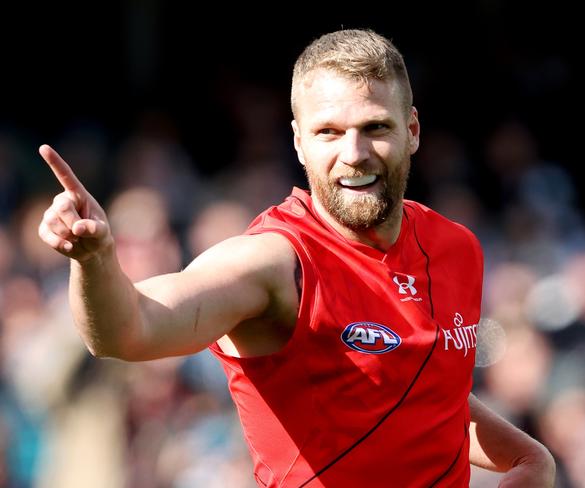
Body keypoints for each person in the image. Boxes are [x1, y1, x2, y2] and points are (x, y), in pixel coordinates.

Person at [38, 29, 555, 487]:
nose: (354, 153)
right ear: (299, 142)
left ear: (412, 131)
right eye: (329, 132)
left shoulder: (456, 248)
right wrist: (95, 259)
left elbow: (424, 390)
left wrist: (530, 460)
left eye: (375, 127)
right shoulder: (275, 263)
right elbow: (126, 331)